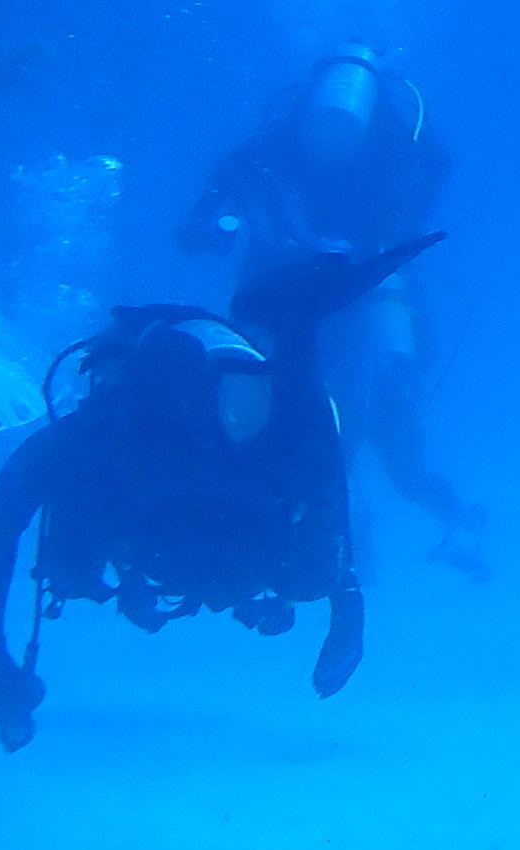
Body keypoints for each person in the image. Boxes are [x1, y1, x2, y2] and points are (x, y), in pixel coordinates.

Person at [0, 237, 438, 751]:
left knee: (303, 568)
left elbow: (2, 519)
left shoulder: (273, 422)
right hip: (179, 512)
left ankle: (293, 328)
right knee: (75, 564)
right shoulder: (117, 426)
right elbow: (6, 512)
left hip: (205, 513)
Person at [177, 47, 481, 570]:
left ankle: (361, 525)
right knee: (383, 446)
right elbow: (217, 198)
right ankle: (370, 525)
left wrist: (210, 228)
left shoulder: (330, 144)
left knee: (368, 435)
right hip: (328, 306)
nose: (331, 136)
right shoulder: (369, 146)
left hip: (333, 308)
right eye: (324, 124)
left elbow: (215, 200)